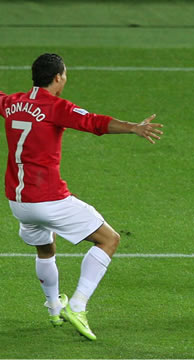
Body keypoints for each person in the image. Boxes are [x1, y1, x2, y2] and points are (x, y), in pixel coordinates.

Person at [0, 53, 164, 339]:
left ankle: (53, 307)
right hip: (50, 199)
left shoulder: (12, 103)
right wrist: (133, 127)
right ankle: (77, 305)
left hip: (19, 203)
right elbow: (94, 122)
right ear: (58, 78)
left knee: (45, 248)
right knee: (109, 239)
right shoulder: (56, 107)